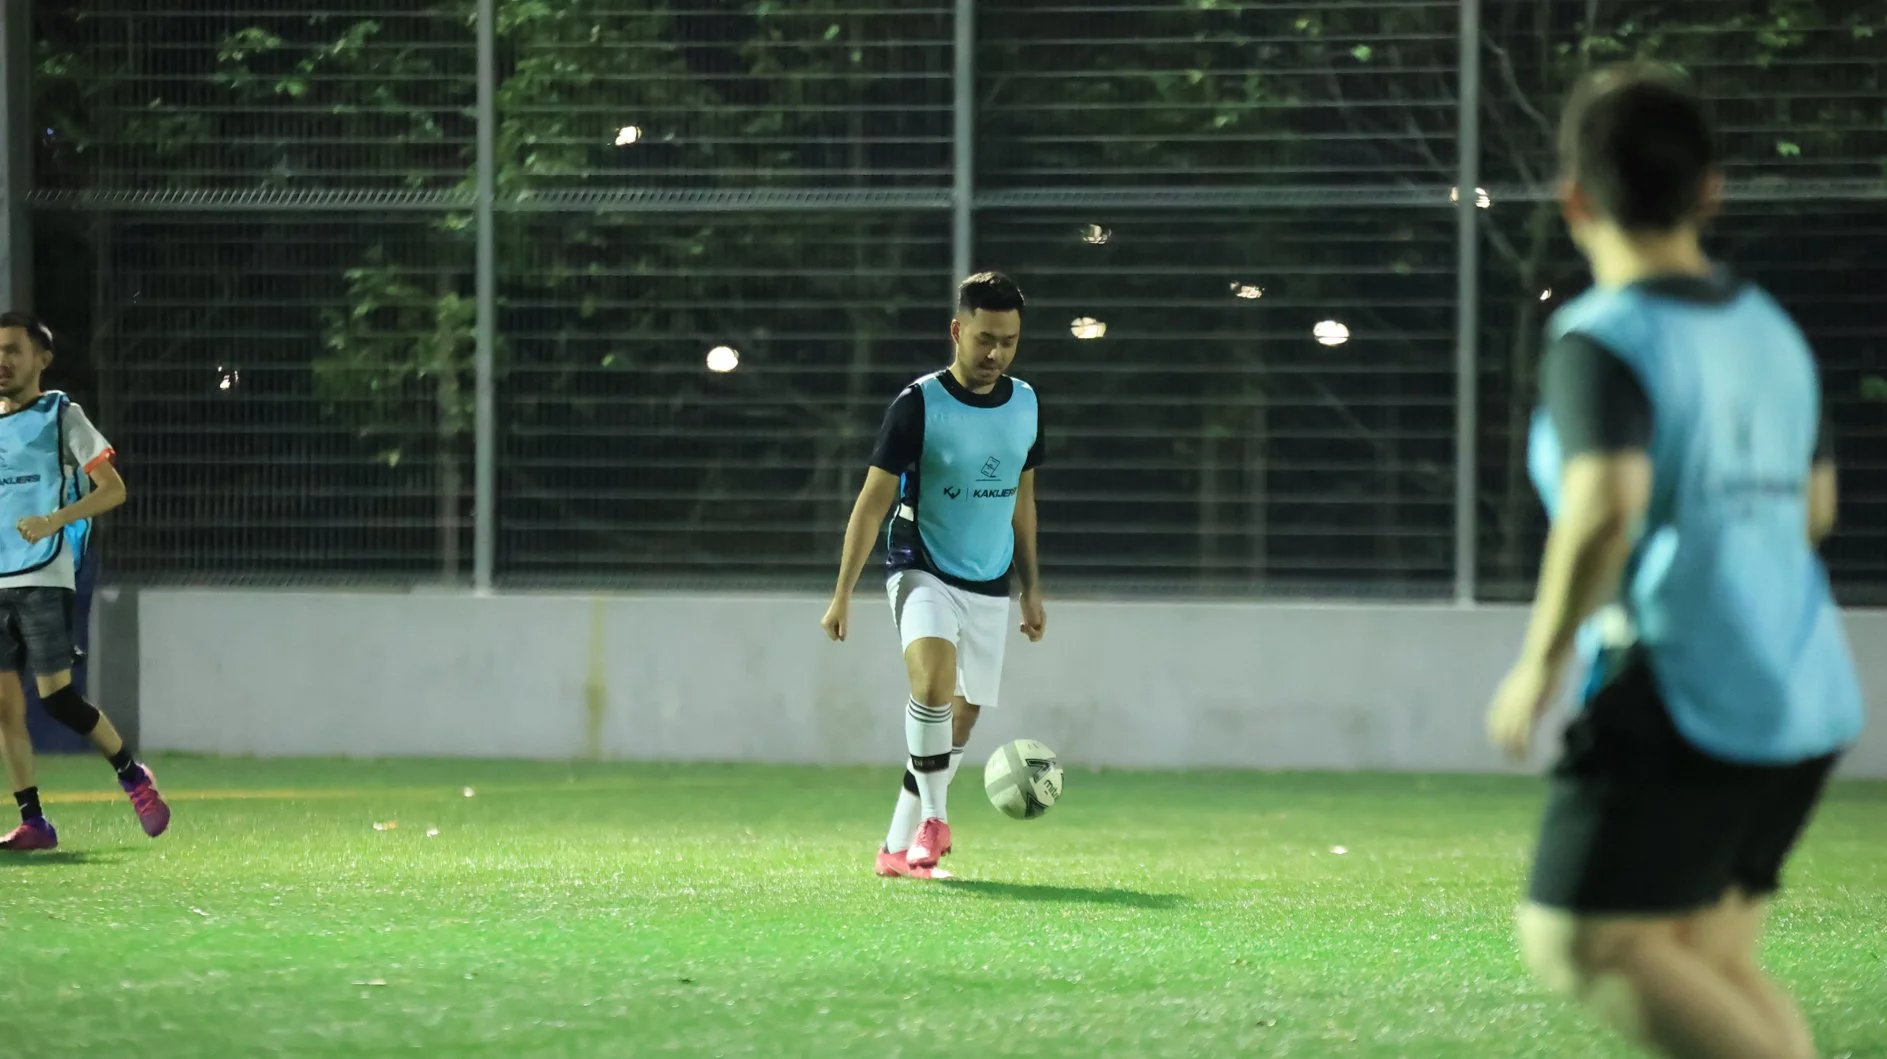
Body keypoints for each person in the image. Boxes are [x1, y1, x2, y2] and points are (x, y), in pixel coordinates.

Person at [1486, 64, 1863, 1059]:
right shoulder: (1770, 332)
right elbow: (1815, 508)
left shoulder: (1604, 340)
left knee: (1579, 941)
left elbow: (1605, 508)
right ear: (1711, 190)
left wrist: (1539, 660)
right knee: (1710, 957)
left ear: (1575, 199)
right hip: (1801, 686)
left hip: (1686, 691)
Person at [822, 272, 1046, 880]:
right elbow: (872, 501)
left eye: (1008, 341)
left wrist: (1031, 588)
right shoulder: (918, 404)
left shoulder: (1026, 404)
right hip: (920, 563)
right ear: (957, 330)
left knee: (960, 718)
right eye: (984, 338)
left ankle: (897, 849)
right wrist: (842, 594)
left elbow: (1022, 501)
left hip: (989, 579)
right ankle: (936, 820)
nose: (995, 353)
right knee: (932, 686)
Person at [0, 311, 170, 851]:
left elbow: (112, 489)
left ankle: (132, 774)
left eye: (13, 350)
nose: (2, 361)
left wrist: (55, 520)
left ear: (42, 359)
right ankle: (33, 821)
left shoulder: (62, 415)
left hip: (44, 572)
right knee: (3, 706)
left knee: (57, 700)